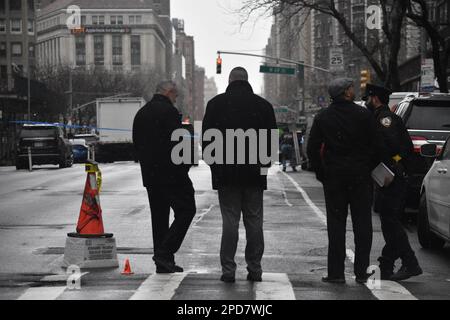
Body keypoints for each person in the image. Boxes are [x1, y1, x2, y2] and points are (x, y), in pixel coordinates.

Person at [202, 67, 277, 283]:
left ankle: (228, 270)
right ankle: (255, 268)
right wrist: (262, 168)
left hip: (227, 175)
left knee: (230, 222)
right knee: (254, 222)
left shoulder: (216, 105)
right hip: (254, 175)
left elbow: (207, 143)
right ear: (247, 80)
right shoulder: (263, 106)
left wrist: (216, 169)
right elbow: (271, 145)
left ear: (230, 80)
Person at [307, 78, 382, 284]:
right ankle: (361, 271)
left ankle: (336, 273)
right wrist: (367, 167)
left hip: (334, 178)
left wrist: (322, 172)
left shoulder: (323, 117)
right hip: (360, 177)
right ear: (346, 93)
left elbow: (312, 149)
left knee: (336, 225)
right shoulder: (364, 115)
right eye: (351, 88)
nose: (353, 90)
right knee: (363, 225)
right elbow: (377, 146)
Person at [132, 81, 196, 273]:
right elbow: (180, 145)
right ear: (168, 92)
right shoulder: (168, 113)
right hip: (171, 174)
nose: (176, 99)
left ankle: (163, 261)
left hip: (151, 175)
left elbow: (137, 146)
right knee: (187, 210)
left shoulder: (141, 113)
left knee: (159, 217)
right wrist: (184, 169)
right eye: (175, 95)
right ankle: (165, 252)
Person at [363, 83, 423, 281]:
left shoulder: (385, 119)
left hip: (391, 179)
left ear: (375, 98)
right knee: (390, 223)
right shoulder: (379, 117)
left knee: (391, 222)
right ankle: (386, 265)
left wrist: (392, 166)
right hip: (387, 178)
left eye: (368, 98)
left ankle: (410, 263)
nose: (366, 101)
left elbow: (397, 150)